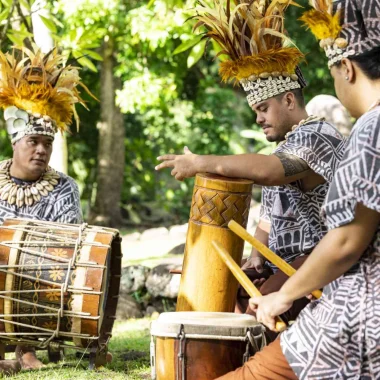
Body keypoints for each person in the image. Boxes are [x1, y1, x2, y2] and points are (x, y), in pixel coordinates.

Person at [215, 0, 380, 378]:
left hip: (353, 321)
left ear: (347, 69)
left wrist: (283, 296)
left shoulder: (368, 129)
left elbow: (345, 242)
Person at [155, 0, 345, 326]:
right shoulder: (284, 148)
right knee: (223, 302)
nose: (257, 119)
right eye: (255, 111)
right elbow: (268, 223)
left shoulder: (318, 135)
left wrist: (202, 161)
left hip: (319, 264)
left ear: (288, 99)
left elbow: (270, 173)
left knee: (256, 316)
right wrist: (253, 262)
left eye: (263, 109)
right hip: (282, 266)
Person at [0, 46, 87, 374]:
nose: (41, 150)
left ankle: (26, 349)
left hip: (44, 283)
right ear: (15, 142)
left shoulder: (65, 188)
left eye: (47, 143)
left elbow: (69, 252)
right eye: (32, 141)